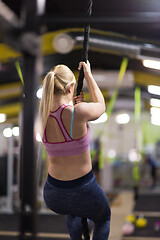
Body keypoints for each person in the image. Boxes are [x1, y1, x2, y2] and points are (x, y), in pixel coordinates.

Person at [39, 60, 111, 240]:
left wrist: (79, 105)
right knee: (103, 218)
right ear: (71, 88)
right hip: (83, 189)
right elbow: (101, 105)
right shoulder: (78, 113)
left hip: (53, 194)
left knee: (73, 210)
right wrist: (88, 75)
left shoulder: (40, 117)